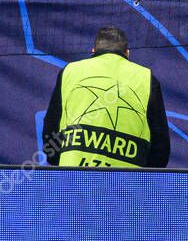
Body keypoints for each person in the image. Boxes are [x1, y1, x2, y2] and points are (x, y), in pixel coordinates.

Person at [43, 26, 169, 168]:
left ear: (93, 51)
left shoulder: (70, 71)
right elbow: (160, 147)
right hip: (125, 185)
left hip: (74, 180)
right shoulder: (146, 78)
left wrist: (59, 161)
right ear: (127, 53)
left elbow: (51, 128)